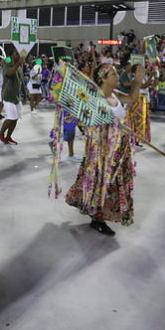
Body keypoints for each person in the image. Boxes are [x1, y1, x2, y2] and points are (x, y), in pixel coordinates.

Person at [65, 63, 145, 235]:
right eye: (113, 74)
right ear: (103, 78)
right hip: (103, 153)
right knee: (102, 184)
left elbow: (131, 98)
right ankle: (97, 219)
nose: (117, 76)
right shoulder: (95, 99)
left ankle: (100, 214)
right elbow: (86, 124)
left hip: (119, 149)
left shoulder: (115, 94)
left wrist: (138, 81)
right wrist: (112, 128)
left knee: (113, 185)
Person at [0, 50, 23, 144]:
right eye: (16, 53)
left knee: (15, 118)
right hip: (8, 95)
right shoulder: (7, 66)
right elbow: (9, 74)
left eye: (18, 54)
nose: (18, 55)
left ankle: (8, 136)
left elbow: (20, 81)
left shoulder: (19, 67)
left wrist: (23, 93)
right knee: (11, 117)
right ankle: (1, 133)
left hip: (16, 96)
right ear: (11, 55)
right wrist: (17, 64)